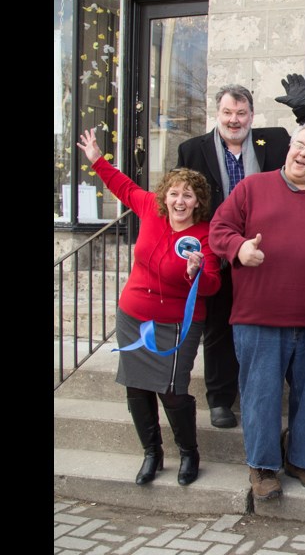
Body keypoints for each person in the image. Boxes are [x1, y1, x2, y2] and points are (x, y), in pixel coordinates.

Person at [209, 123, 305, 501]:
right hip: (260, 321)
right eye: (299, 145)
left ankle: (301, 460)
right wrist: (239, 249)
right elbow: (218, 229)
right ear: (289, 147)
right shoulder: (252, 188)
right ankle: (263, 467)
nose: (302, 153)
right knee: (261, 396)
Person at [176, 77, 305, 430]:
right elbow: (180, 199)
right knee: (218, 326)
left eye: (241, 113)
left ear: (251, 115)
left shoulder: (272, 140)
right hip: (219, 251)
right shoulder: (192, 150)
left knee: (280, 323)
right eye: (228, 112)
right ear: (217, 114)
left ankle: (297, 379)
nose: (234, 120)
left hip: (268, 253)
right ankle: (219, 399)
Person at [77, 128, 221, 487]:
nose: (179, 201)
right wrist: (97, 159)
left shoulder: (206, 235)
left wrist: (195, 272)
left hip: (177, 325)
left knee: (172, 391)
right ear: (165, 197)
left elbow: (213, 285)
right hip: (134, 315)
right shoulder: (149, 211)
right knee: (137, 388)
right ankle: (151, 454)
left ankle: (189, 452)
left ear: (198, 201)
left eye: (187, 195)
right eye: (174, 193)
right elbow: (123, 187)